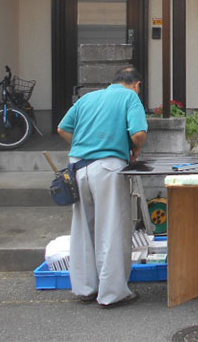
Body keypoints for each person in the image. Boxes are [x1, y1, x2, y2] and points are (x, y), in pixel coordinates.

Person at [57, 66, 148, 308]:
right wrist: (135, 151)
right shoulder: (130, 97)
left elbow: (62, 128)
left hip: (77, 167)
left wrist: (83, 145)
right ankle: (112, 293)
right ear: (137, 84)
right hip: (108, 167)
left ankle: (85, 288)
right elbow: (138, 133)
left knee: (83, 228)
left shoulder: (88, 97)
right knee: (112, 228)